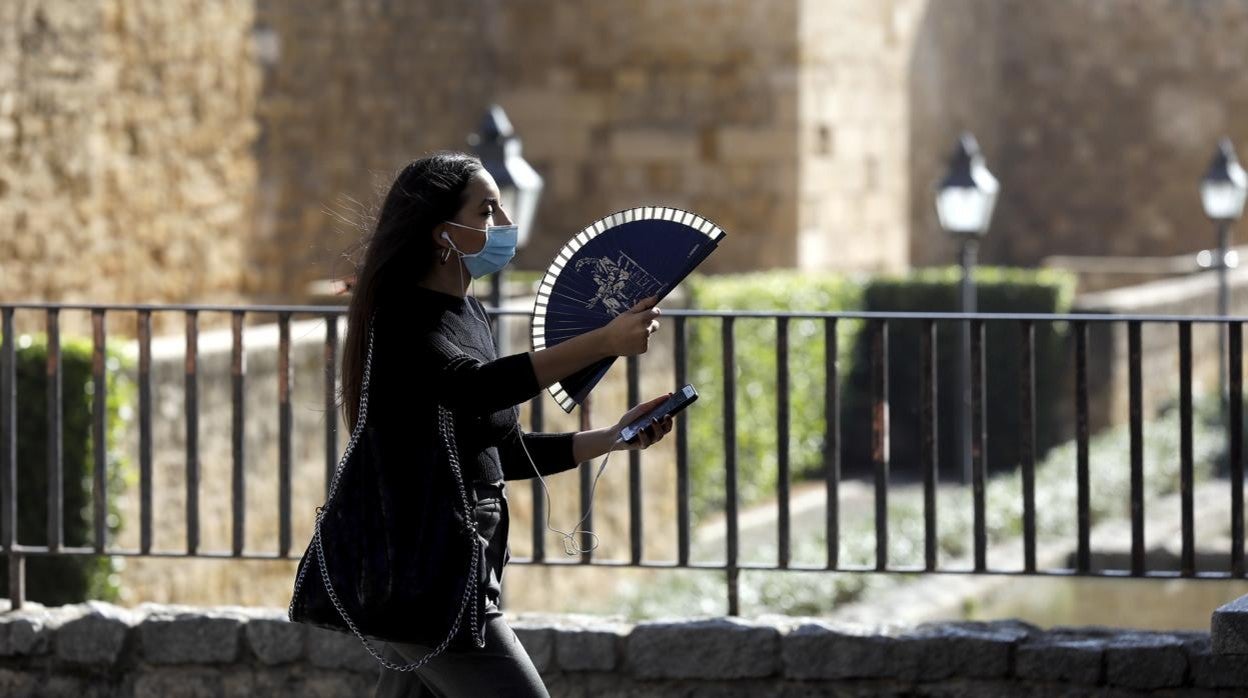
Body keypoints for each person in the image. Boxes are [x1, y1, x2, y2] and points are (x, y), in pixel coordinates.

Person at [338, 152, 674, 697]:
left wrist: (613, 436)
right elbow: (476, 387)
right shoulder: (399, 317)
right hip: (428, 578)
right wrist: (604, 341)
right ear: (438, 232)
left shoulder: (471, 315)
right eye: (487, 210)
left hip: (460, 568)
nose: (501, 225)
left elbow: (500, 451)